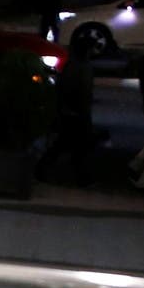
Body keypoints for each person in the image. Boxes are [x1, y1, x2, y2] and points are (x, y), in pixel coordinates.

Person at [39, 27, 100, 186]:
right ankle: (82, 177)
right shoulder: (82, 67)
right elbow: (78, 90)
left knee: (66, 144)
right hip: (76, 112)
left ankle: (45, 170)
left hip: (72, 111)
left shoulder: (75, 65)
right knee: (76, 146)